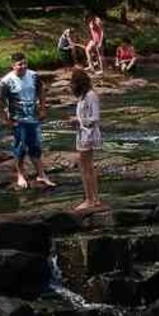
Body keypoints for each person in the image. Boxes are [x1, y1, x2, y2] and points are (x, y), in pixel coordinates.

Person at [0, 53, 56, 189]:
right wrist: (5, 119)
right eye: (20, 64)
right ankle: (20, 175)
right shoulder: (7, 81)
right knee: (20, 148)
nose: (23, 67)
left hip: (33, 118)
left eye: (25, 63)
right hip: (18, 120)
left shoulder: (33, 76)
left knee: (36, 146)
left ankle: (41, 174)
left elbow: (41, 90)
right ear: (13, 65)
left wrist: (43, 108)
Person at [71, 69, 104, 211]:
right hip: (83, 134)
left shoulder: (91, 96)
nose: (71, 86)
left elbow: (95, 118)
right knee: (87, 167)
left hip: (88, 135)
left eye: (73, 83)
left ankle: (90, 199)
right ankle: (93, 198)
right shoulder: (83, 97)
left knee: (86, 168)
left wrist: (79, 121)